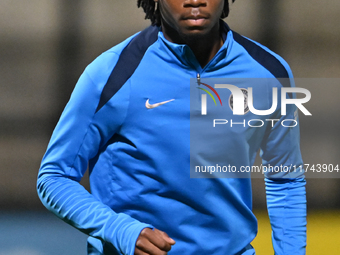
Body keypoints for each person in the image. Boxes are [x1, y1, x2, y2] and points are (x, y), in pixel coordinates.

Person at [37, 0, 307, 254]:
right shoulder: (112, 74)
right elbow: (53, 177)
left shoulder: (269, 73)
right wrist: (121, 231)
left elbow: (285, 179)